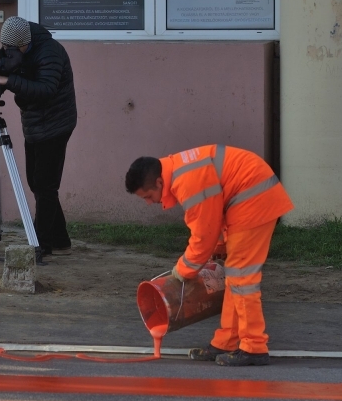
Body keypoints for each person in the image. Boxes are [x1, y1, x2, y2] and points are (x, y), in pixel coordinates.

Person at [125, 145, 294, 366]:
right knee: (235, 277)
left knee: (242, 278)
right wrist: (221, 245)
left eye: (148, 196)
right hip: (249, 197)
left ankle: (253, 346)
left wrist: (184, 270)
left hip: (253, 201)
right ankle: (227, 341)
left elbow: (204, 233)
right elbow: (213, 214)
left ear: (159, 182)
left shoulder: (187, 181)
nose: (149, 202)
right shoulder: (180, 169)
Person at [0, 16, 77, 257]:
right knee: (39, 183)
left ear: (25, 44)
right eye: (7, 49)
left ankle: (41, 244)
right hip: (34, 123)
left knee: (44, 185)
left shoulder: (50, 52)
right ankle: (60, 239)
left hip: (56, 124)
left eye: (14, 50)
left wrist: (9, 80)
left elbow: (45, 89)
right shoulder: (16, 47)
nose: (10, 53)